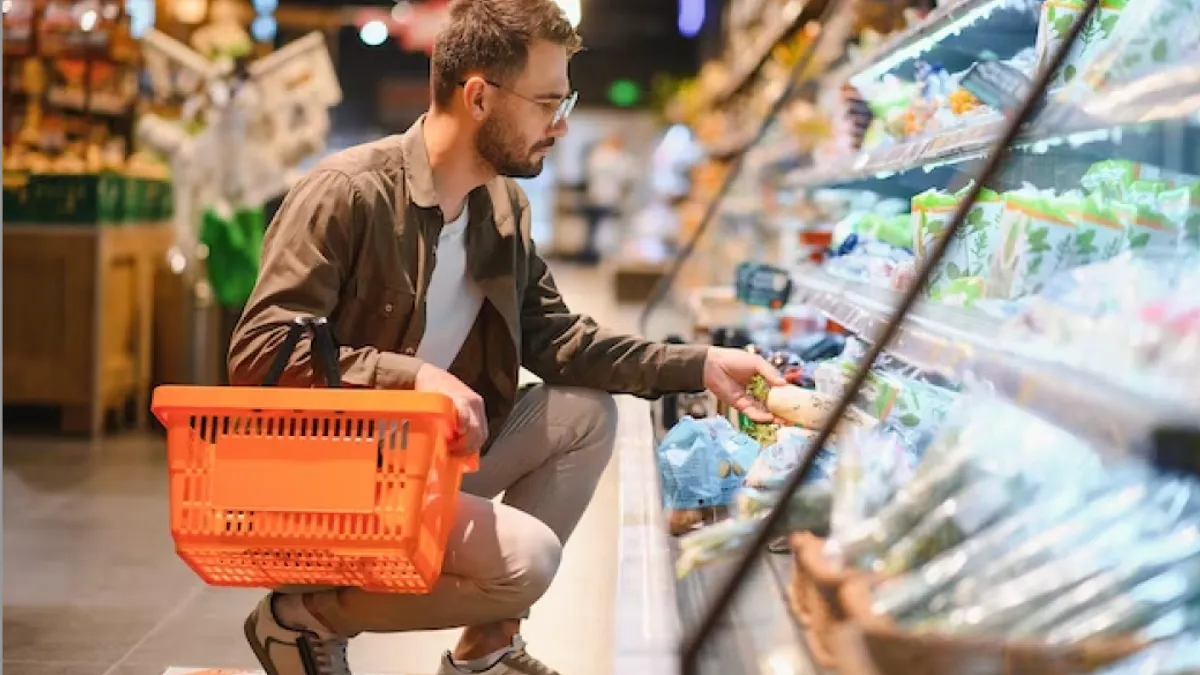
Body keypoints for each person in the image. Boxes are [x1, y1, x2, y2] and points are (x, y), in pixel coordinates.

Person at [227, 1, 785, 674]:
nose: (562, 121)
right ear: (480, 97)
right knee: (530, 559)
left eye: (566, 98)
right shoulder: (347, 193)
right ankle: (302, 618)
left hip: (423, 458)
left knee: (582, 413)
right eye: (548, 100)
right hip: (336, 473)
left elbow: (558, 340)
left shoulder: (501, 207)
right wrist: (412, 379)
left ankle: (484, 653)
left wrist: (699, 365)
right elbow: (261, 349)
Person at [576, 133, 634, 264]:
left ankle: (591, 256)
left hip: (598, 196)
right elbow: (627, 175)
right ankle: (595, 255)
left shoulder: (597, 155)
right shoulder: (614, 157)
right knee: (601, 228)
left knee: (595, 228)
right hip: (604, 197)